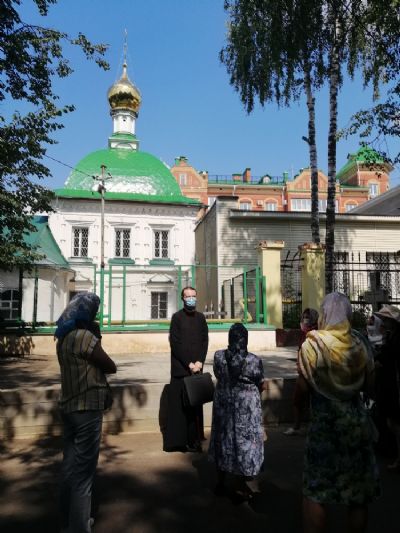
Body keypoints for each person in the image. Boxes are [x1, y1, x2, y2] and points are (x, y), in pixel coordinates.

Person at [297, 292, 380, 533]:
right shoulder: (360, 343)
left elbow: (302, 389)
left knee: (316, 491)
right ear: (348, 315)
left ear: (323, 315)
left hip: (324, 428)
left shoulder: (312, 345)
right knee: (357, 494)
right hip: (356, 426)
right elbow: (371, 386)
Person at [55, 292, 117, 533]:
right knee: (84, 474)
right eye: (93, 312)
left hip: (69, 407)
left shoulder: (63, 338)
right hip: (87, 408)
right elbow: (109, 366)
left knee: (69, 468)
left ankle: (68, 522)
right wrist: (96, 338)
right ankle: (79, 527)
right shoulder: (84, 337)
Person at [208, 323, 265, 499]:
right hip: (246, 410)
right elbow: (260, 383)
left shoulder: (219, 357)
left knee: (223, 442)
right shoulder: (254, 361)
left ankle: (220, 483)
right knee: (244, 444)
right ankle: (241, 487)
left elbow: (218, 374)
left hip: (224, 408)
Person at [164, 286, 208, 452]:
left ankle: (194, 440)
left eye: (193, 296)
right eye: (188, 296)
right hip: (181, 369)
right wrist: (189, 363)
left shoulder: (201, 318)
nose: (191, 299)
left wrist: (200, 362)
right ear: (182, 298)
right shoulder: (177, 318)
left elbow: (204, 341)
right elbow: (175, 344)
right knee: (179, 408)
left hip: (197, 369)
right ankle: (178, 442)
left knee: (194, 407)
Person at [284, 308, 319, 436]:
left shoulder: (316, 334)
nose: (305, 320)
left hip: (313, 373)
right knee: (297, 401)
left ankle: (312, 427)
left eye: (308, 317)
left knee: (312, 402)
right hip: (303, 372)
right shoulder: (303, 334)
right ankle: (297, 427)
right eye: (304, 317)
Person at [374, 304, 400, 470]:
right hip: (389, 382)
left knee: (395, 422)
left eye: (386, 319)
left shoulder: (396, 338)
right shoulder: (391, 335)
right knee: (392, 421)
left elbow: (389, 356)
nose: (383, 322)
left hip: (394, 383)